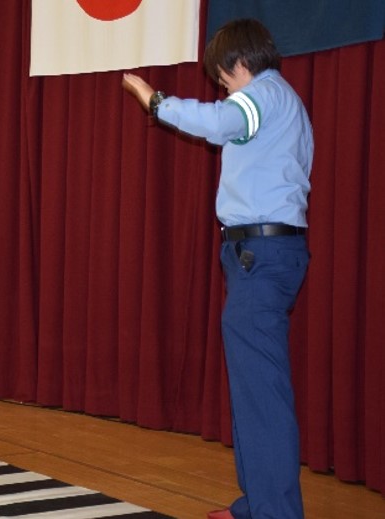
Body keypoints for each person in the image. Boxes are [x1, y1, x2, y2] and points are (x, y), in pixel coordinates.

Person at [122, 18, 312, 519]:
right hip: (263, 256)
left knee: (262, 395)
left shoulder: (262, 97)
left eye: (222, 76)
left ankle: (273, 512)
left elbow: (221, 122)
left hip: (262, 258)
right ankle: (259, 504)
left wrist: (157, 101)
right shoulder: (284, 102)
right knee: (254, 390)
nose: (221, 86)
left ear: (240, 63)